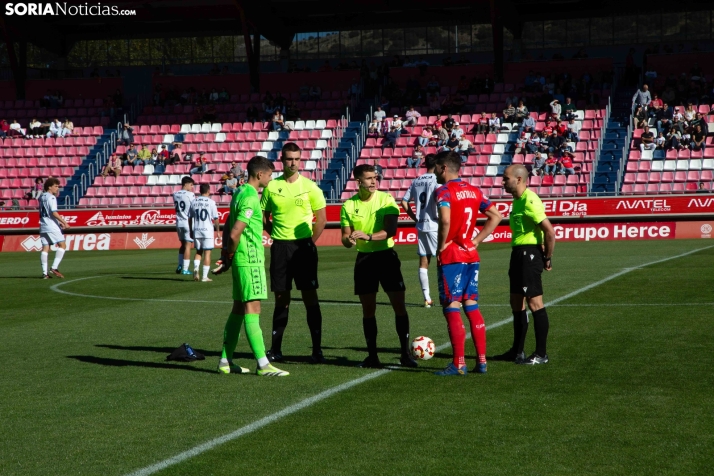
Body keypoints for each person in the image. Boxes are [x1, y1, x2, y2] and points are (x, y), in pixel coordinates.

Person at [214, 156, 289, 376]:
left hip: (240, 260)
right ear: (260, 174)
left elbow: (228, 225)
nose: (271, 178)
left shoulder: (238, 192)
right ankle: (263, 364)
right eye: (270, 174)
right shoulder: (250, 197)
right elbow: (236, 231)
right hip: (249, 260)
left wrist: (227, 256)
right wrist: (229, 252)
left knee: (238, 309)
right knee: (253, 309)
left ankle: (225, 361)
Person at [431, 151, 503, 376]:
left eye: (435, 167)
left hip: (452, 255)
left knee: (452, 305)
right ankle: (481, 361)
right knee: (471, 305)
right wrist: (476, 241)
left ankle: (459, 363)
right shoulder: (473, 190)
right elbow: (496, 216)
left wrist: (441, 245)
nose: (433, 171)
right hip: (471, 254)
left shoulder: (443, 191)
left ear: (443, 168)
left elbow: (445, 219)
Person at [340, 164, 417, 368]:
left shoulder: (386, 199)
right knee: (368, 310)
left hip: (386, 257)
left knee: (399, 306)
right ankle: (372, 356)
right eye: (368, 178)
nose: (374, 181)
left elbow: (391, 230)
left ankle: (405, 354)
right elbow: (345, 239)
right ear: (358, 181)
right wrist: (350, 240)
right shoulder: (348, 206)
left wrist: (369, 236)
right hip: (364, 260)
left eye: (375, 177)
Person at [261, 142, 328, 363]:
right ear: (282, 159)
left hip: (303, 247)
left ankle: (317, 350)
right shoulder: (271, 187)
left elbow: (322, 219)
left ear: (301, 160)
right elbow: (264, 216)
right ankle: (276, 349)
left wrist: (309, 243)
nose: (293, 163)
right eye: (289, 158)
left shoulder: (310, 186)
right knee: (281, 297)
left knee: (310, 296)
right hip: (280, 247)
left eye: (297, 159)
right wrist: (276, 235)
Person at [493, 164, 556, 365]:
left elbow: (549, 231)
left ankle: (541, 353)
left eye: (506, 178)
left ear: (518, 179)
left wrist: (547, 257)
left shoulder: (530, 200)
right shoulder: (517, 201)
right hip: (518, 254)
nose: (503, 182)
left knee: (534, 303)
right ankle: (517, 351)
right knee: (516, 302)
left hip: (530, 255)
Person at [400, 154, 439, 308]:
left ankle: (427, 298)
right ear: (436, 166)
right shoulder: (437, 181)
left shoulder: (416, 181)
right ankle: (449, 296)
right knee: (444, 260)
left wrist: (414, 218)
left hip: (421, 225)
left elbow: (403, 202)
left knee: (424, 262)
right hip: (434, 225)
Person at [39, 177, 70, 279]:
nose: (57, 188)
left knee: (45, 248)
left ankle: (45, 273)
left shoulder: (42, 196)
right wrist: (64, 222)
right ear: (49, 187)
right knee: (62, 245)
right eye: (56, 186)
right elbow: (53, 212)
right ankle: (54, 267)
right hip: (51, 226)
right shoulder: (51, 197)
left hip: (43, 225)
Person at [188, 184, 219, 282]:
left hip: (197, 229)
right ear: (208, 191)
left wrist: (191, 230)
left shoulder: (194, 202)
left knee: (198, 251)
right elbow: (216, 218)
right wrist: (218, 231)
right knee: (207, 253)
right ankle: (204, 277)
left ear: (200, 191)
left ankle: (196, 268)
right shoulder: (211, 202)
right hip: (207, 230)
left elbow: (190, 217)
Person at [173, 176, 195, 275]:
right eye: (191, 184)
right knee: (188, 246)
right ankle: (185, 269)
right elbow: (193, 208)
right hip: (187, 222)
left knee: (182, 245)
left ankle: (180, 265)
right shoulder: (191, 195)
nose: (192, 187)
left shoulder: (175, 194)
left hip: (178, 222)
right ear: (185, 184)